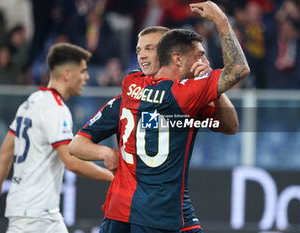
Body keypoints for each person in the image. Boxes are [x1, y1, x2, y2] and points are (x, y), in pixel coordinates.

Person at [69, 25, 238, 233]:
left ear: (169, 52)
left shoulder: (139, 91)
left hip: (171, 205)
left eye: (149, 48)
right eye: (139, 50)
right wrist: (105, 152)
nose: (142, 56)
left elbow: (229, 126)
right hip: (149, 208)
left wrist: (212, 90)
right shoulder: (154, 97)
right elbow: (77, 144)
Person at [0, 43, 114, 233]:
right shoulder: (55, 109)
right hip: (37, 215)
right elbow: (72, 162)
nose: (87, 77)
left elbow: (3, 157)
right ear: (67, 74)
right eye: (83, 71)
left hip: (30, 210)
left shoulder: (31, 102)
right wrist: (114, 177)